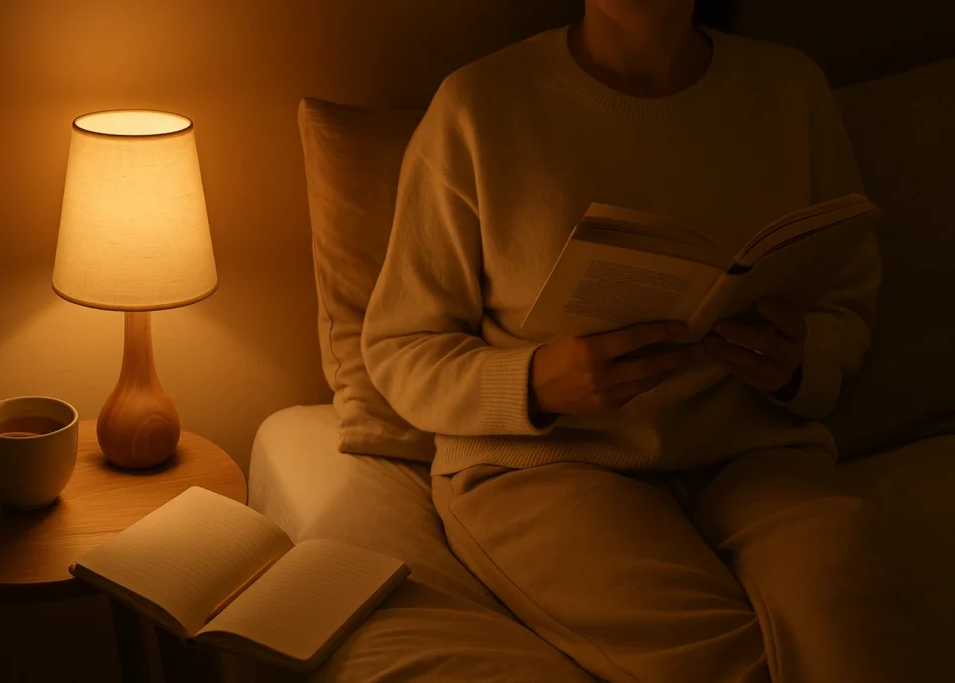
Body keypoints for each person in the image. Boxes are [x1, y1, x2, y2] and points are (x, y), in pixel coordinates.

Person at [362, 1, 942, 681]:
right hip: (548, 465)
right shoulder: (480, 105)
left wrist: (798, 360)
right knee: (729, 665)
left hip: (756, 451)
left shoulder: (788, 88)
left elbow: (847, 300)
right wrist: (536, 381)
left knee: (863, 638)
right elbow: (401, 346)